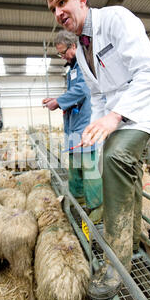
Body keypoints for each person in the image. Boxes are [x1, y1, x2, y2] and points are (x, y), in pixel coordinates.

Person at [44, 0, 150, 300]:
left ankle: (117, 264)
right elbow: (99, 95)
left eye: (63, 2)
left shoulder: (116, 19)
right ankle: (130, 240)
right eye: (52, 8)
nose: (58, 12)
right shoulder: (82, 48)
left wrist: (115, 117)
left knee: (115, 157)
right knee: (115, 159)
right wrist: (99, 125)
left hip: (148, 101)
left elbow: (148, 71)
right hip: (120, 110)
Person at [43, 30, 103, 224]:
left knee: (89, 168)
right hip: (74, 126)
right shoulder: (73, 68)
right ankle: (77, 200)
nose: (62, 57)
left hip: (85, 126)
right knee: (75, 167)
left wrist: (59, 102)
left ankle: (96, 207)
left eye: (63, 52)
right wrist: (57, 99)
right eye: (59, 54)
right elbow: (74, 93)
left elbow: (82, 90)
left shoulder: (85, 64)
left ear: (74, 46)